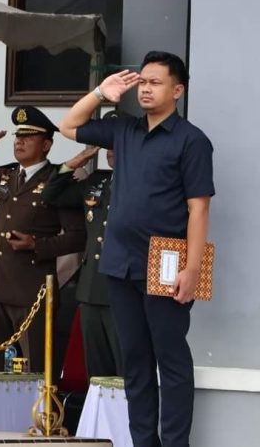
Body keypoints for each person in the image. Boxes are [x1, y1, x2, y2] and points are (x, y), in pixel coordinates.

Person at [58, 51, 214, 447]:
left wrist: (193, 269)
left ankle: (175, 442)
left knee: (170, 359)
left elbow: (198, 209)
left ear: (177, 91)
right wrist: (100, 93)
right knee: (135, 360)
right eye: (141, 82)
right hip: (120, 262)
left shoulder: (192, 141)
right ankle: (143, 442)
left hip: (167, 261)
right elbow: (68, 125)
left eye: (155, 82)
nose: (145, 89)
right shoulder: (124, 130)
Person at [0, 106, 86, 372]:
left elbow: (78, 238)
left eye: (28, 137)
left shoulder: (58, 180)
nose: (19, 142)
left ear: (46, 145)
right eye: (18, 136)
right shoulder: (3, 176)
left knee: (37, 369)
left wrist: (37, 245)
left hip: (31, 288)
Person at [42, 110, 125, 380]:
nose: (111, 150)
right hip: (90, 289)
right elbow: (51, 196)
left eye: (116, 143)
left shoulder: (143, 183)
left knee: (124, 373)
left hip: (122, 289)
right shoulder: (97, 181)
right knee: (97, 375)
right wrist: (73, 164)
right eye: (107, 144)